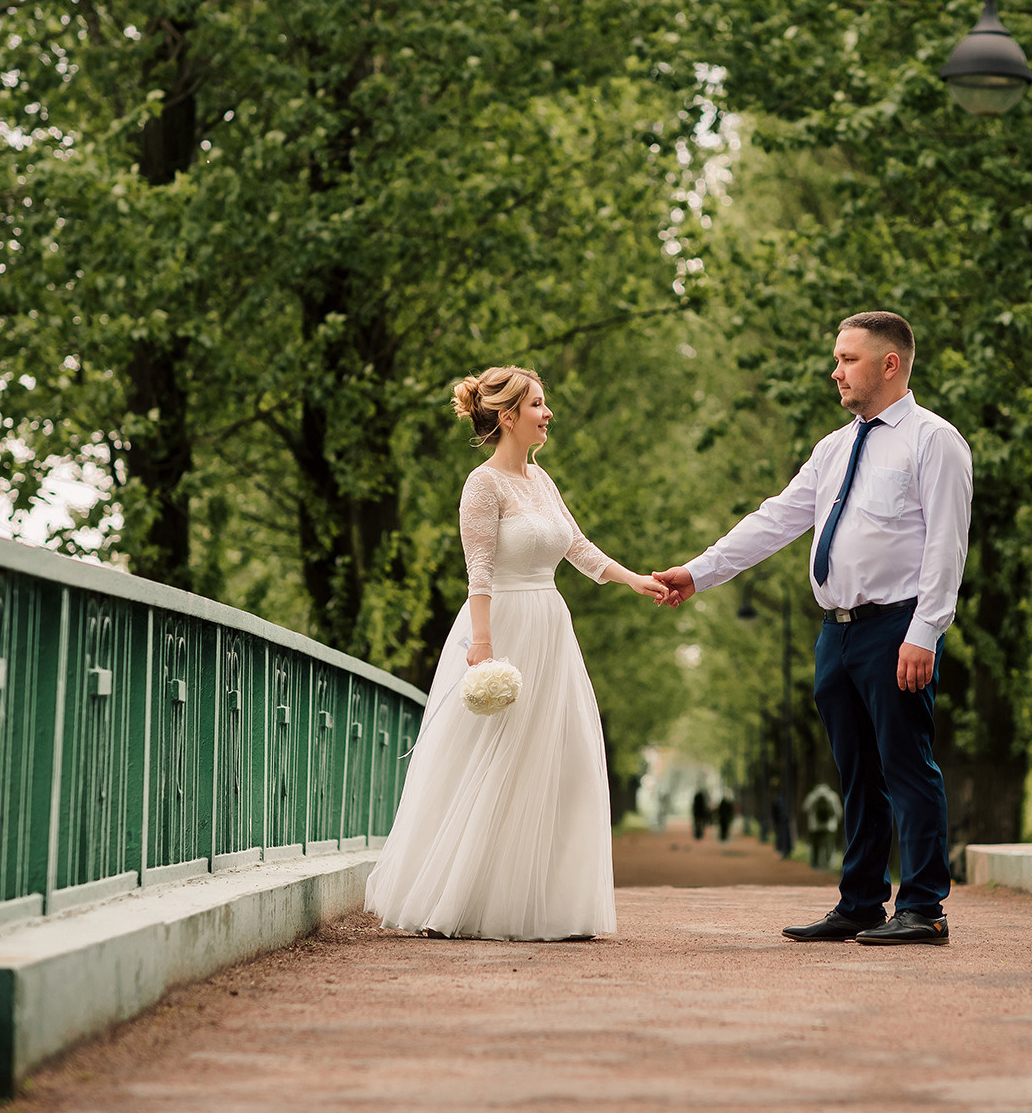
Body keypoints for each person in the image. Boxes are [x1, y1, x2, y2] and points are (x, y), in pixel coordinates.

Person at [655, 312, 972, 946]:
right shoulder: (832, 448)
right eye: (837, 358)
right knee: (856, 774)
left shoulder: (934, 441)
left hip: (895, 628)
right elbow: (775, 520)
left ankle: (924, 907)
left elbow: (946, 544)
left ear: (890, 364)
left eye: (848, 359)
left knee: (908, 766)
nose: (835, 371)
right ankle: (860, 902)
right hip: (838, 632)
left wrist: (925, 630)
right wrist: (699, 572)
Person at [364, 366, 666, 940]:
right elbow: (479, 571)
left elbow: (576, 546)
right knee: (491, 759)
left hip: (552, 627)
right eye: (538, 405)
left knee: (563, 759)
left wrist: (633, 580)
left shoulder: (542, 480)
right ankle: (458, 901)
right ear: (508, 417)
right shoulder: (482, 485)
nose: (548, 414)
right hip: (502, 625)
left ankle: (550, 904)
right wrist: (481, 643)